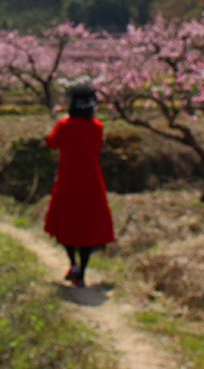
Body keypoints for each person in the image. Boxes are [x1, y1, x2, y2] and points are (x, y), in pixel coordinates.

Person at [43, 83, 115, 287]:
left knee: (66, 224)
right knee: (87, 228)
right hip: (92, 182)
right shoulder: (97, 128)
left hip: (68, 181)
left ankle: (72, 264)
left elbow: (51, 143)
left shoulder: (65, 126)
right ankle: (82, 273)